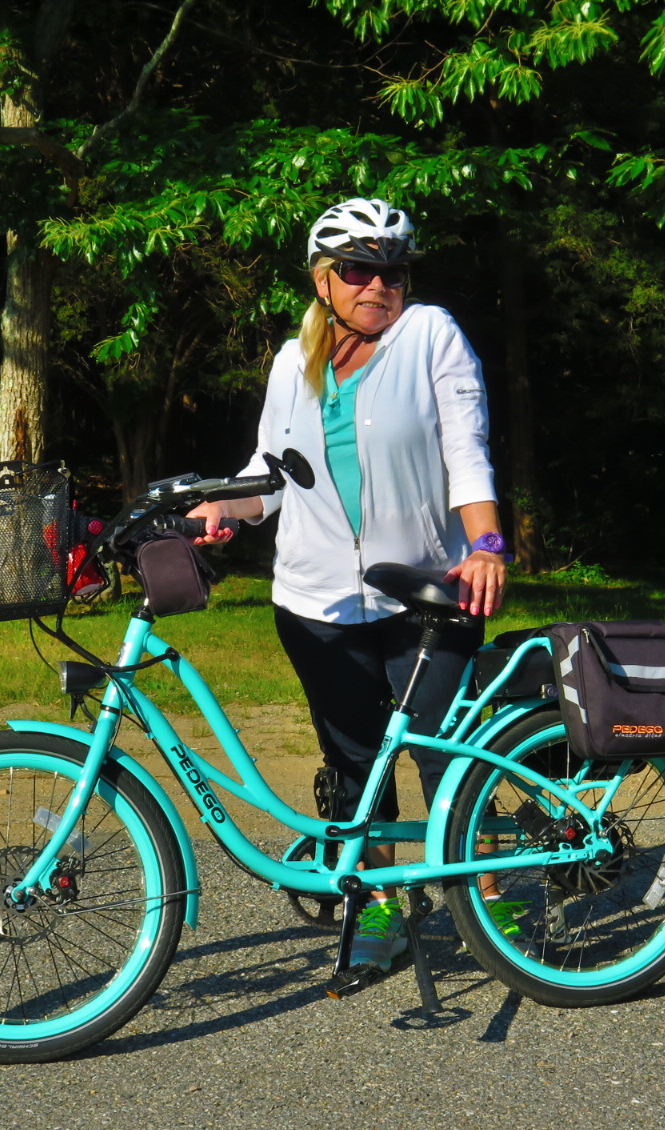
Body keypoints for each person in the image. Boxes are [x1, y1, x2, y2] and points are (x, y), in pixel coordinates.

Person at [188, 197, 513, 973]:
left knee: (445, 755)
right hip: (316, 602)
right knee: (354, 764)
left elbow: (466, 449)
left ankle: (489, 898)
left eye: (392, 272)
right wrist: (223, 506)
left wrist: (486, 545)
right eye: (359, 271)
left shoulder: (428, 335)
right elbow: (269, 476)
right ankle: (381, 906)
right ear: (322, 280)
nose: (378, 286)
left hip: (427, 595)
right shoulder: (290, 363)